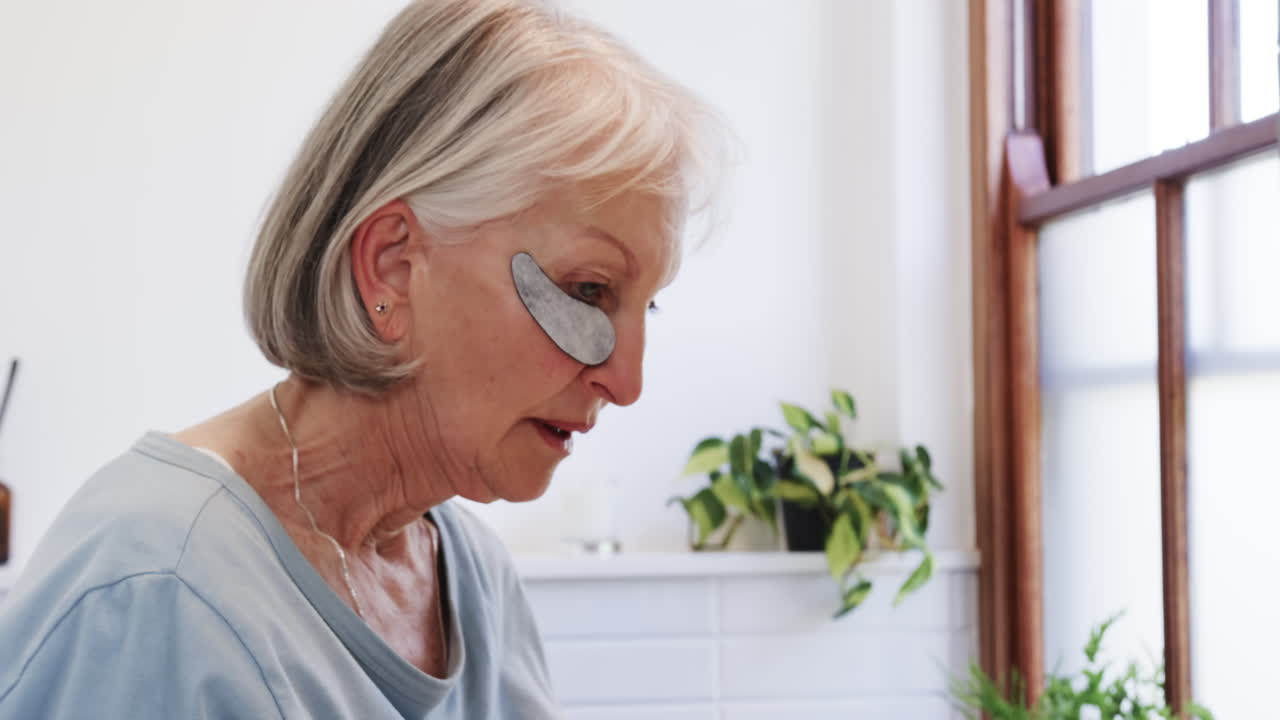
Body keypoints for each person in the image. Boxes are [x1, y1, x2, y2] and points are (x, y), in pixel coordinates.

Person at [0, 0, 719, 716]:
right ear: (393, 267)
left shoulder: (476, 581)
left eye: (646, 305)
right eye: (587, 291)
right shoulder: (155, 589)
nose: (627, 383)